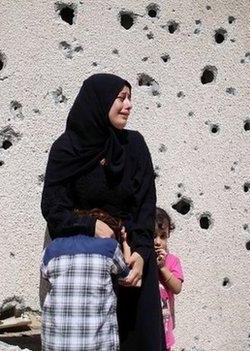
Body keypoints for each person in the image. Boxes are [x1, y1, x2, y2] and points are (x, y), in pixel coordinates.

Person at [41, 73, 165, 350]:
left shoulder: (134, 146)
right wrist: (90, 226)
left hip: (131, 258)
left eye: (130, 97)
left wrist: (142, 255)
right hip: (86, 267)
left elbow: (145, 206)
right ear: (99, 102)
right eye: (121, 98)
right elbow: (53, 209)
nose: (129, 105)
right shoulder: (66, 149)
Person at [40, 234, 130, 350]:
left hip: (56, 344)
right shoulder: (110, 247)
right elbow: (127, 276)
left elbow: (45, 274)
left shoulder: (51, 249)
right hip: (98, 344)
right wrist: (125, 241)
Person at [153, 207, 184, 351]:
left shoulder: (172, 261)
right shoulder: (143, 261)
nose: (158, 242)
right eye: (153, 236)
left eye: (163, 236)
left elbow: (177, 288)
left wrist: (163, 268)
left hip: (165, 329)